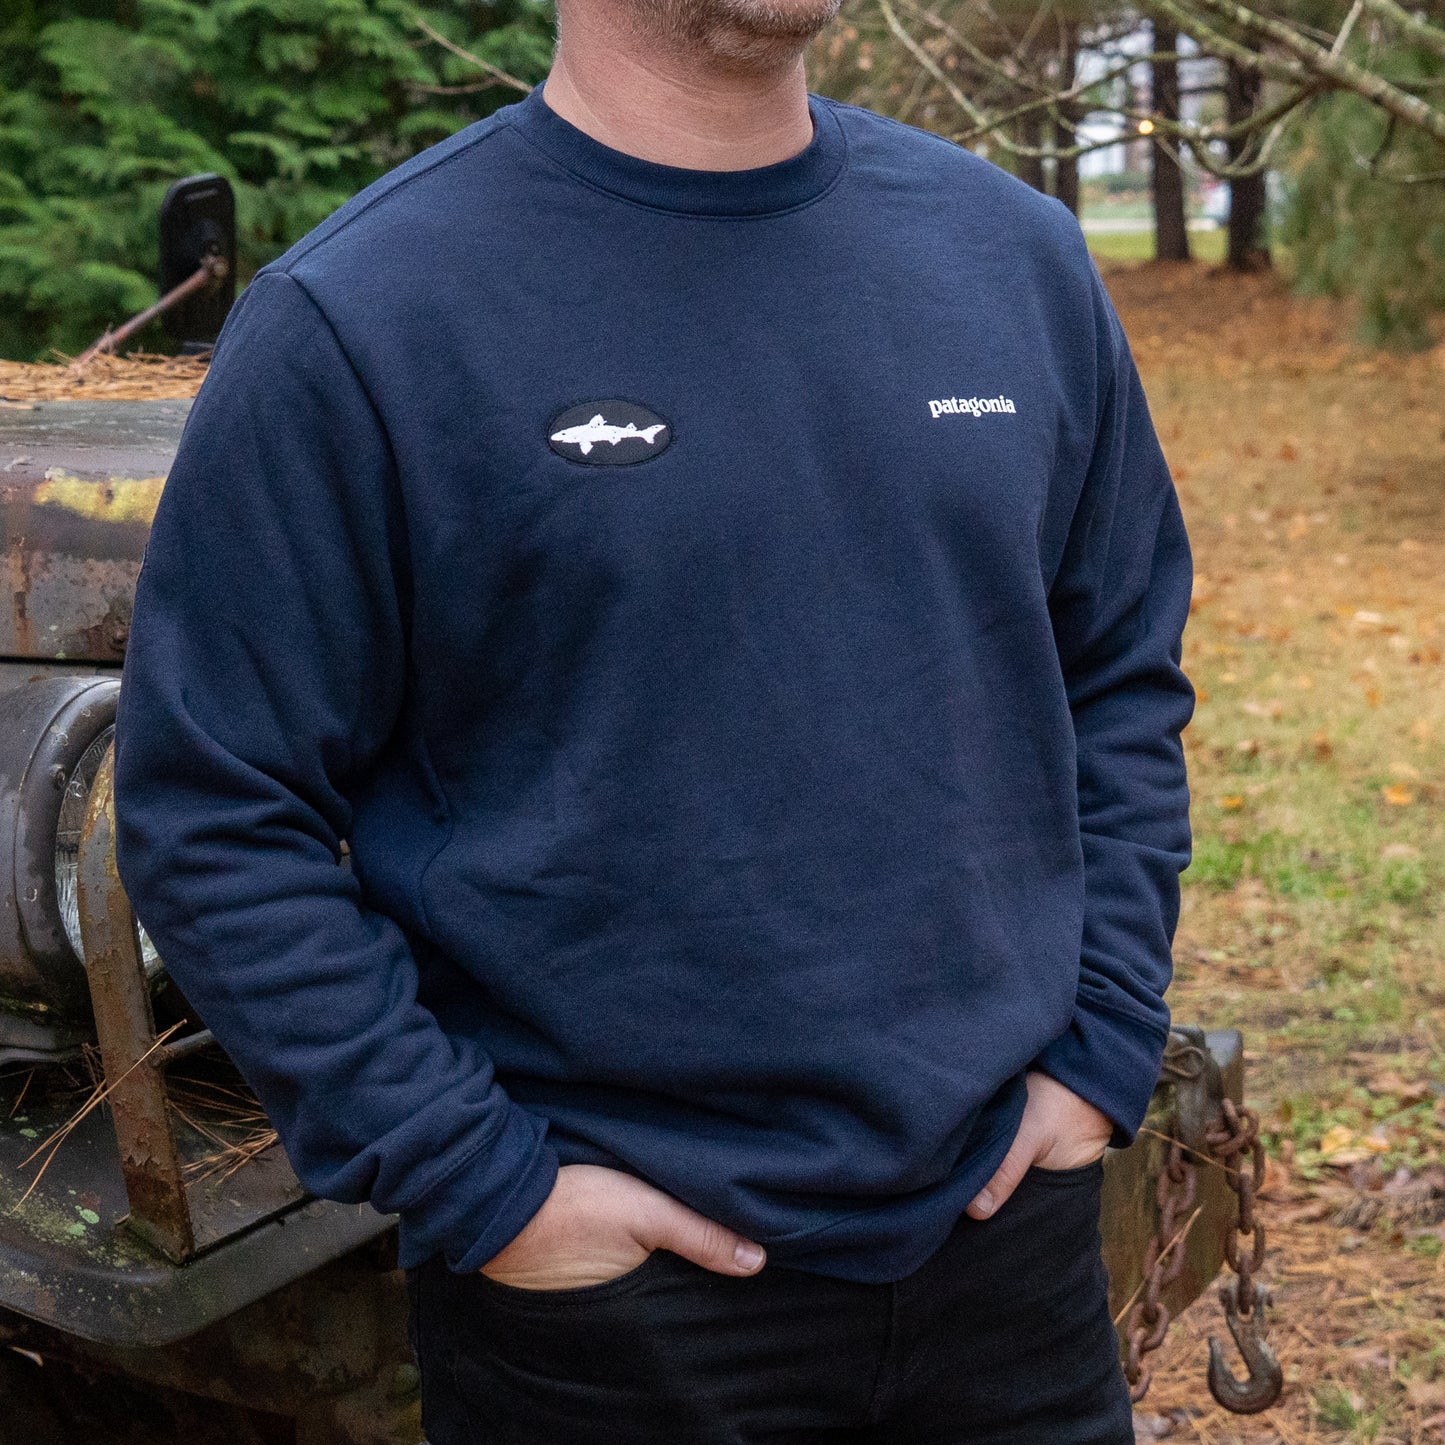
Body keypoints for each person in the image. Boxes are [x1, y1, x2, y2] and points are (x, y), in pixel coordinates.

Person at [112, 0, 1195, 1433]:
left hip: (1009, 1248)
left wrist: (1101, 1043)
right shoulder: (367, 319)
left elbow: (1115, 674)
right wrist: (486, 1187)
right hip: (606, 1314)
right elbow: (211, 805)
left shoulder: (1010, 261)